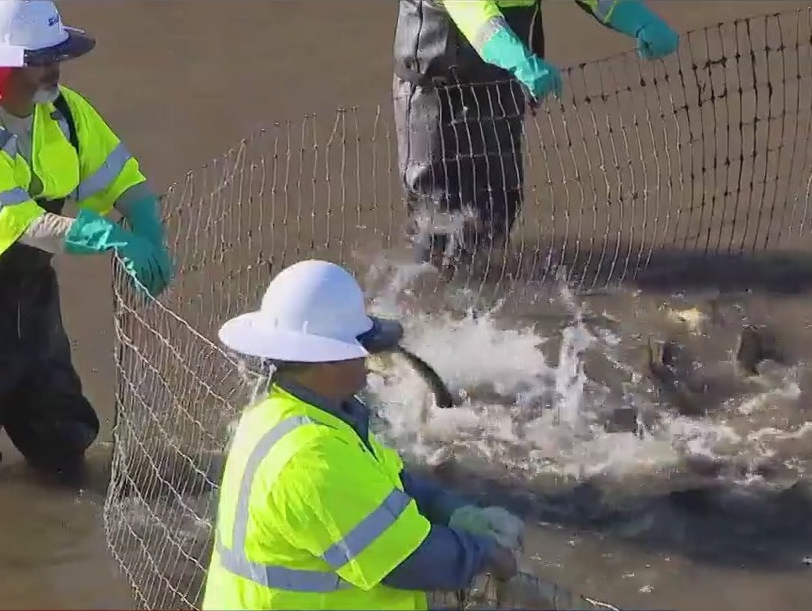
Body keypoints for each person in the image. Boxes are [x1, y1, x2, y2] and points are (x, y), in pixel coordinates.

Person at [0, 0, 173, 477]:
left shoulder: (66, 112)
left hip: (31, 290)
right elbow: (22, 225)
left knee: (61, 432)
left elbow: (121, 179)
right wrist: (113, 238)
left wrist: (148, 230)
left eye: (56, 56)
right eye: (39, 60)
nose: (54, 69)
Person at [203, 259, 526, 610]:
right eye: (359, 349)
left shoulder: (293, 411)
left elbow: (390, 485)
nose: (368, 360)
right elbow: (409, 561)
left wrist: (456, 512)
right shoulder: (312, 457)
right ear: (326, 360)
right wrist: (486, 555)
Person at [393, 0, 680, 266]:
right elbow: (474, 14)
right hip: (434, 88)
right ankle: (430, 296)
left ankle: (487, 289)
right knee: (435, 209)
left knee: (496, 201)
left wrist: (641, 21)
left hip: (501, 83)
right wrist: (519, 61)